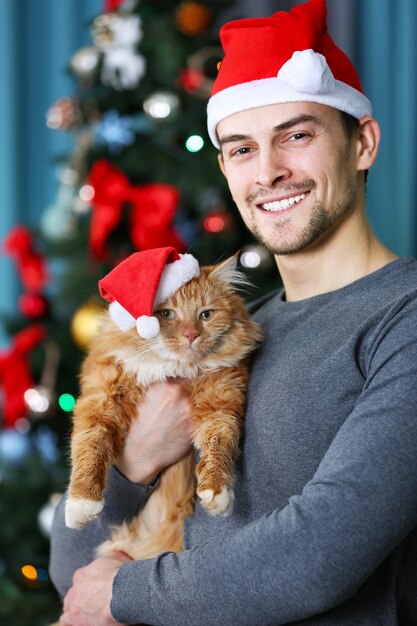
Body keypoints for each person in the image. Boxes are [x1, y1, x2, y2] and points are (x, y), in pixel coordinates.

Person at [50, 0, 417, 624]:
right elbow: (71, 568)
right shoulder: (218, 334)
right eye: (243, 149)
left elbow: (316, 556)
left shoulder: (400, 319)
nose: (270, 172)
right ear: (224, 167)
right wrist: (131, 465)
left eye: (297, 136)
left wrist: (124, 593)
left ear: (363, 143)